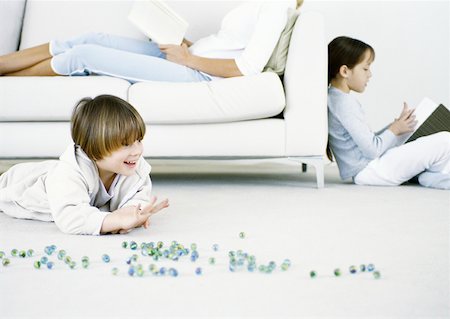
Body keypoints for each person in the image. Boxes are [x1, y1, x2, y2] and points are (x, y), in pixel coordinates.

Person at [0, 0, 301, 83]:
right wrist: (184, 43)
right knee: (92, 38)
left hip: (197, 73)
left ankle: (8, 83)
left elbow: (248, 67)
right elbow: (231, 44)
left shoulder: (276, 6)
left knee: (85, 55)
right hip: (187, 56)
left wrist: (189, 59)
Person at [0, 95, 169, 235]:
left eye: (138, 140)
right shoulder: (67, 174)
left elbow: (138, 195)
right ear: (93, 148)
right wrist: (114, 220)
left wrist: (132, 211)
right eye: (126, 144)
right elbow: (70, 217)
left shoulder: (135, 167)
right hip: (22, 184)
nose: (137, 151)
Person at [327, 36, 450, 189]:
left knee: (414, 128)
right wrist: (394, 129)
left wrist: (395, 126)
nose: (369, 74)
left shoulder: (336, 98)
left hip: (369, 168)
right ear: (345, 71)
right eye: (365, 68)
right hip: (371, 169)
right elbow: (373, 150)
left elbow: (368, 142)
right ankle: (433, 174)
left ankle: (429, 177)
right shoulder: (343, 103)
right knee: (446, 140)